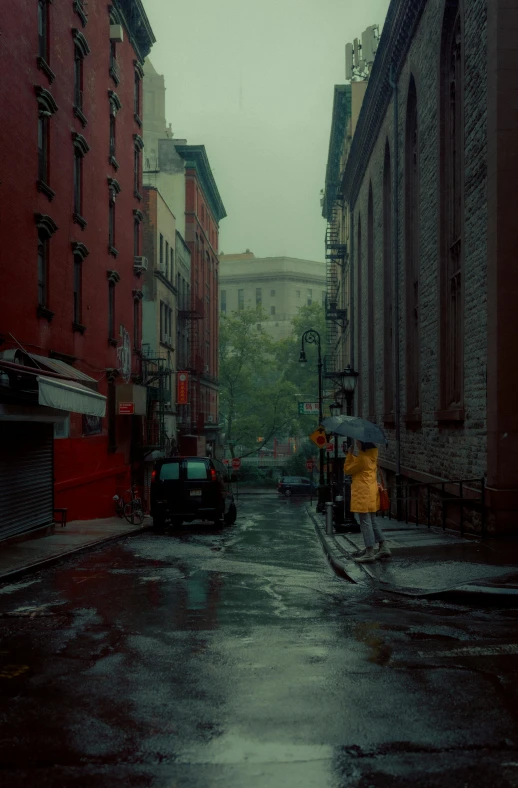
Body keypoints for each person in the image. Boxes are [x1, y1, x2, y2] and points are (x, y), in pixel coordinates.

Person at [343, 440, 391, 563]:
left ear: (363, 444)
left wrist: (349, 455)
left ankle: (369, 552)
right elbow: (359, 465)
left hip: (362, 493)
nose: (356, 444)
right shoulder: (371, 456)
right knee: (372, 521)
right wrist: (353, 455)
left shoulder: (363, 458)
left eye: (358, 442)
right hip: (371, 492)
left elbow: (348, 469)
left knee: (365, 522)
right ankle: (383, 546)